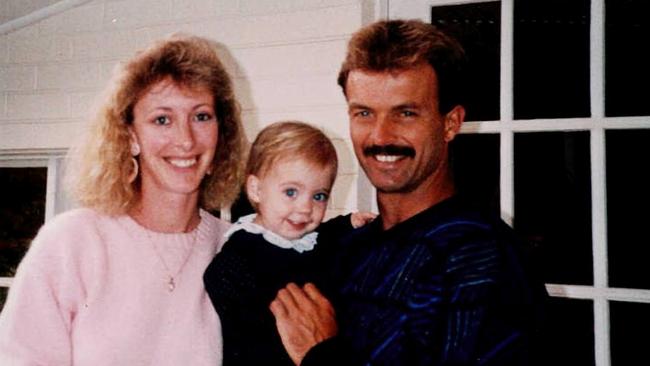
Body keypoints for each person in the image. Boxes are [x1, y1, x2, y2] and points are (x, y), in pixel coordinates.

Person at [269, 19, 547, 365]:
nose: (381, 135)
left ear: (450, 123)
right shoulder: (347, 248)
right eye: (364, 113)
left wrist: (322, 355)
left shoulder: (482, 260)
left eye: (406, 113)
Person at [0, 34, 246, 365]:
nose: (185, 140)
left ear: (222, 130)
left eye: (201, 116)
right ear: (131, 136)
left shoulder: (237, 249)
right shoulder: (73, 242)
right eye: (162, 119)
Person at [203, 121, 375, 366]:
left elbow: (327, 236)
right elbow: (219, 283)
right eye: (291, 192)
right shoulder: (242, 252)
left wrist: (349, 223)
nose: (305, 208)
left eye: (319, 196)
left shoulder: (309, 240)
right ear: (256, 189)